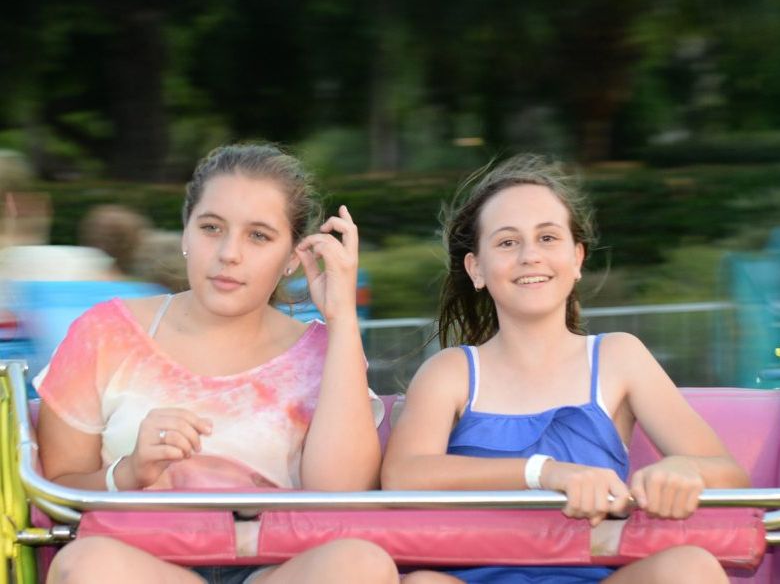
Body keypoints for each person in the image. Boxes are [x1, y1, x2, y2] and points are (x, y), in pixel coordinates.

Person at [36, 143, 399, 584]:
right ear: (185, 232)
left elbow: (341, 494)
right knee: (87, 566)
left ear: (292, 258)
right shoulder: (105, 332)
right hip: (139, 563)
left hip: (275, 569)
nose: (229, 253)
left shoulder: (325, 350)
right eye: (211, 227)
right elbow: (55, 490)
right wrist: (128, 470)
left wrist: (342, 322)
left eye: (259, 236)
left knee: (361, 565)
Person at [381, 154, 749, 584]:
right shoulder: (451, 372)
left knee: (691, 569)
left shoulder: (619, 357)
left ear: (576, 259)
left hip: (595, 573)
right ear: (476, 268)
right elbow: (404, 474)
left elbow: (729, 474)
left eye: (547, 237)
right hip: (473, 576)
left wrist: (687, 470)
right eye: (506, 242)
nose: (530, 256)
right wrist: (544, 472)